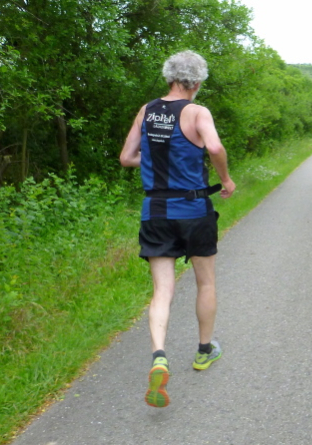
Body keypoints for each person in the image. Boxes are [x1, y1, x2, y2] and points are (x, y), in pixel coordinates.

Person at [119, 50, 236, 408]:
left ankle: (159, 355)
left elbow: (126, 158)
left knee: (162, 291)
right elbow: (214, 146)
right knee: (206, 282)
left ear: (169, 78)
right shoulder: (197, 112)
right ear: (196, 83)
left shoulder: (147, 110)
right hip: (194, 210)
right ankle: (204, 350)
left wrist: (156, 161)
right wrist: (226, 180)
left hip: (155, 211)